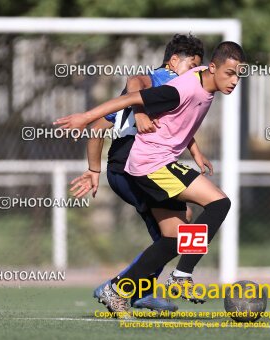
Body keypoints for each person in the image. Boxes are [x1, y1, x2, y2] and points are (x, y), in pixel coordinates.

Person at [55, 41, 246, 315]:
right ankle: (182, 275)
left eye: (239, 74)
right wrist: (85, 117)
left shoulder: (203, 75)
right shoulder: (181, 88)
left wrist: (196, 151)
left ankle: (119, 289)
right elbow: (132, 95)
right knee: (219, 203)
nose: (234, 80)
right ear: (213, 69)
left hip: (153, 163)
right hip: (151, 165)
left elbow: (180, 119)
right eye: (229, 73)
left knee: (175, 238)